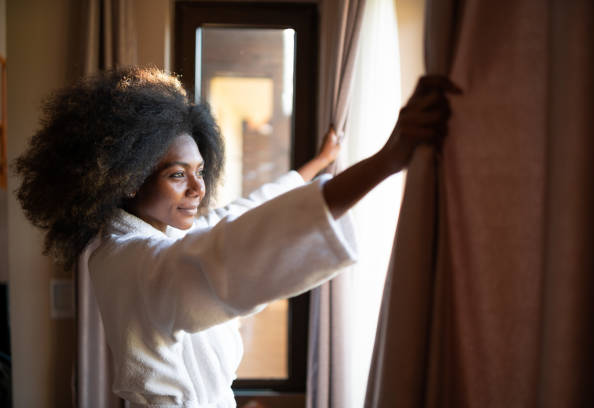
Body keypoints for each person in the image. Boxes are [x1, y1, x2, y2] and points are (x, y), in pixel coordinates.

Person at [15, 67, 458, 407]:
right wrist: (387, 160)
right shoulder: (132, 260)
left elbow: (244, 211)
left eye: (199, 172)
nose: (198, 189)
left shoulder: (158, 237)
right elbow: (230, 254)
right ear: (129, 180)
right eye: (177, 175)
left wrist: (319, 163)